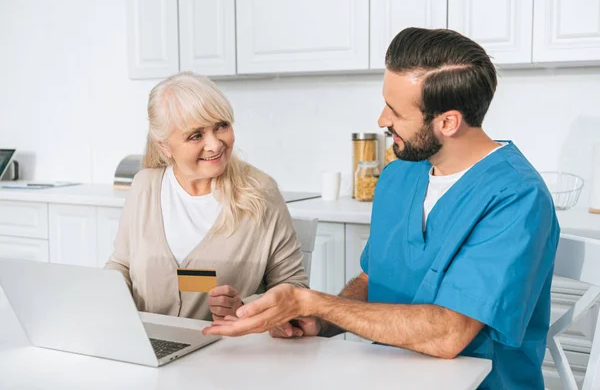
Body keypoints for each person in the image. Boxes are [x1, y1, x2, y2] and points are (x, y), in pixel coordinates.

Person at [203, 28, 560, 389]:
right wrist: (320, 322)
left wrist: (312, 302)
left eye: (396, 110)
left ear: (448, 122)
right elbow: (373, 281)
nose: (382, 120)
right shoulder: (398, 176)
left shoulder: (517, 198)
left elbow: (449, 334)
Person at [105, 72, 308, 322]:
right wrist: (107, 298)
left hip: (227, 353)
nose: (215, 144)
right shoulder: (144, 186)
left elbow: (294, 288)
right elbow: (121, 265)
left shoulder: (261, 192)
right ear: (164, 147)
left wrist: (244, 307)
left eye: (221, 125)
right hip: (146, 347)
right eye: (195, 135)